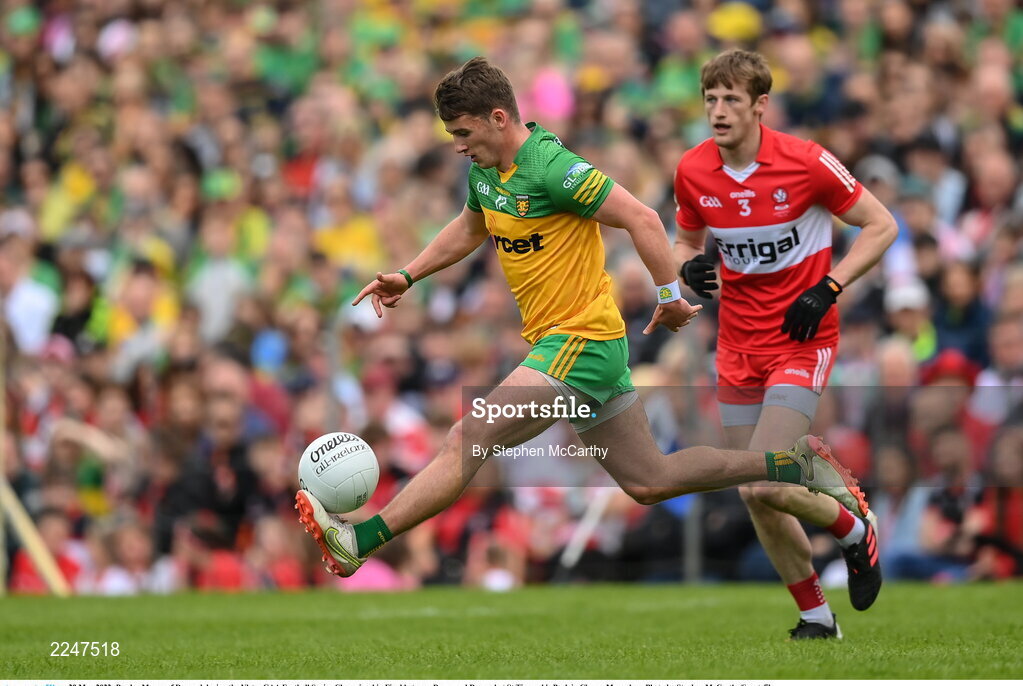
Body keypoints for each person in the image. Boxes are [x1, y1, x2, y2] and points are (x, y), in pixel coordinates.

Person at [294, 57, 868, 602]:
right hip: (573, 350)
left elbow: (642, 217)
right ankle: (797, 465)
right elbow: (470, 227)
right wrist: (409, 274)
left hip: (579, 343)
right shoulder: (488, 173)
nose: (459, 146)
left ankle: (358, 542)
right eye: (451, 136)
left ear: (500, 117)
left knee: (469, 436)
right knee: (651, 480)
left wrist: (669, 295)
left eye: (464, 132)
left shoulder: (554, 168)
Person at [672, 49, 897, 639]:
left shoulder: (807, 162)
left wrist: (830, 286)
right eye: (710, 99)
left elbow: (882, 225)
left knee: (765, 480)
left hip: (802, 339)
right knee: (757, 496)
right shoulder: (694, 170)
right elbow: (683, 244)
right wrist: (689, 270)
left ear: (760, 106)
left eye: (731, 100)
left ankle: (854, 529)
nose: (718, 111)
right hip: (736, 345)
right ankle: (817, 619)